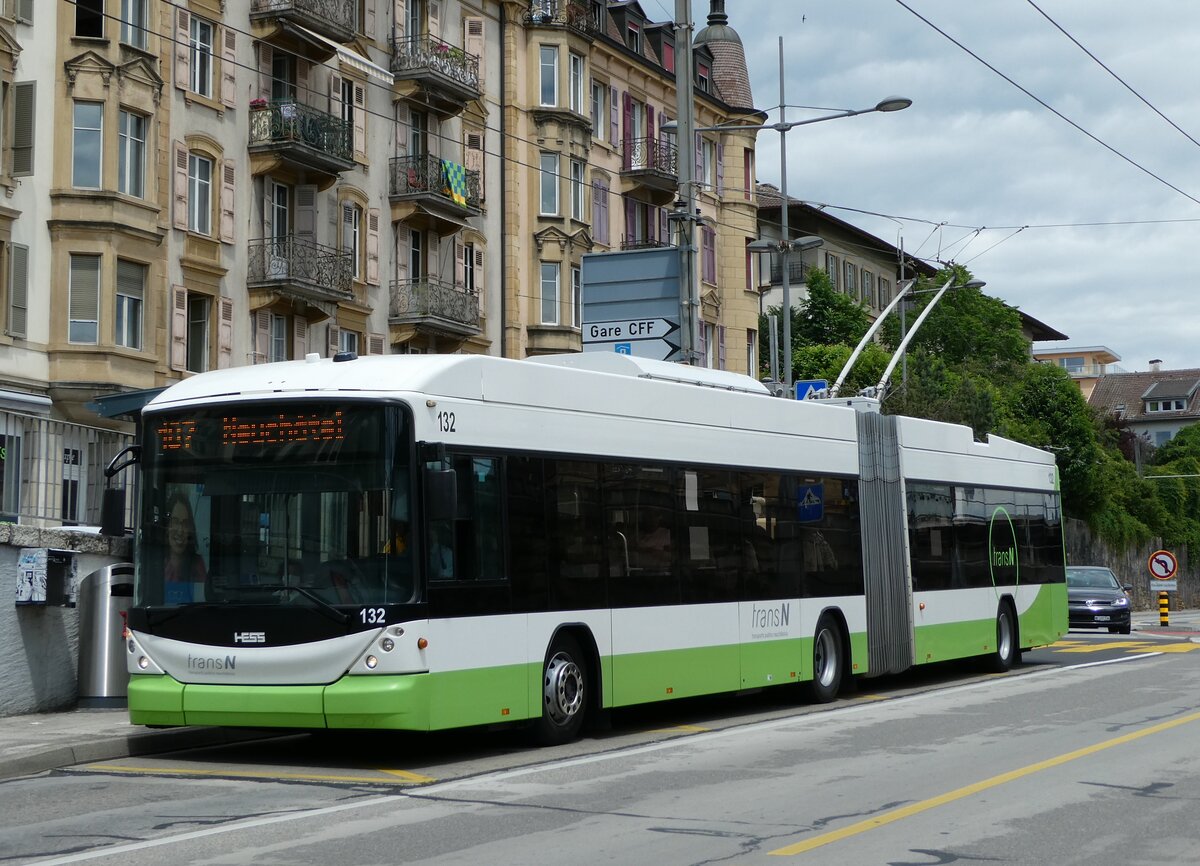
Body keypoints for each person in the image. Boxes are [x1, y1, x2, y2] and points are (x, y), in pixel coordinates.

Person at [164, 493, 207, 603]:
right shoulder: (156, 564)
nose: (180, 530)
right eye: (175, 521)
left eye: (185, 523)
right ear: (167, 526)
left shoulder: (197, 565)